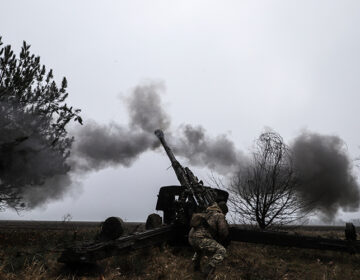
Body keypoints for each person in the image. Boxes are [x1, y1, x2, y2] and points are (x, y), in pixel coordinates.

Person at [188, 201, 229, 279]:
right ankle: (207, 271)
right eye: (225, 213)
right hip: (200, 238)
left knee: (199, 250)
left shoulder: (206, 212)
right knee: (222, 250)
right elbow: (223, 232)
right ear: (223, 210)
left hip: (191, 238)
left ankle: (195, 268)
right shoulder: (219, 215)